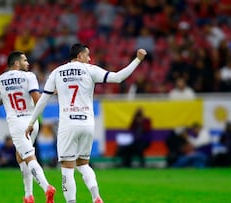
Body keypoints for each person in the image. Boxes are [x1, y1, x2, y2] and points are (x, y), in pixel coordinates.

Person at [25, 43, 147, 203]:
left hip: (68, 124)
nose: (90, 59)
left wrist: (31, 122)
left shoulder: (56, 72)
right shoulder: (90, 70)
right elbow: (118, 78)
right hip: (87, 124)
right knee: (83, 164)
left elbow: (42, 102)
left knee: (67, 169)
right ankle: (96, 197)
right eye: (87, 55)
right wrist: (137, 60)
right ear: (79, 56)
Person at [0, 51, 56, 203]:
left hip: (17, 124)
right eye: (25, 60)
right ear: (16, 63)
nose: (28, 63)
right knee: (21, 156)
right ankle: (28, 196)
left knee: (28, 157)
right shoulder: (29, 76)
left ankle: (47, 188)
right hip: (32, 122)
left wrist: (4, 99)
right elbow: (37, 99)